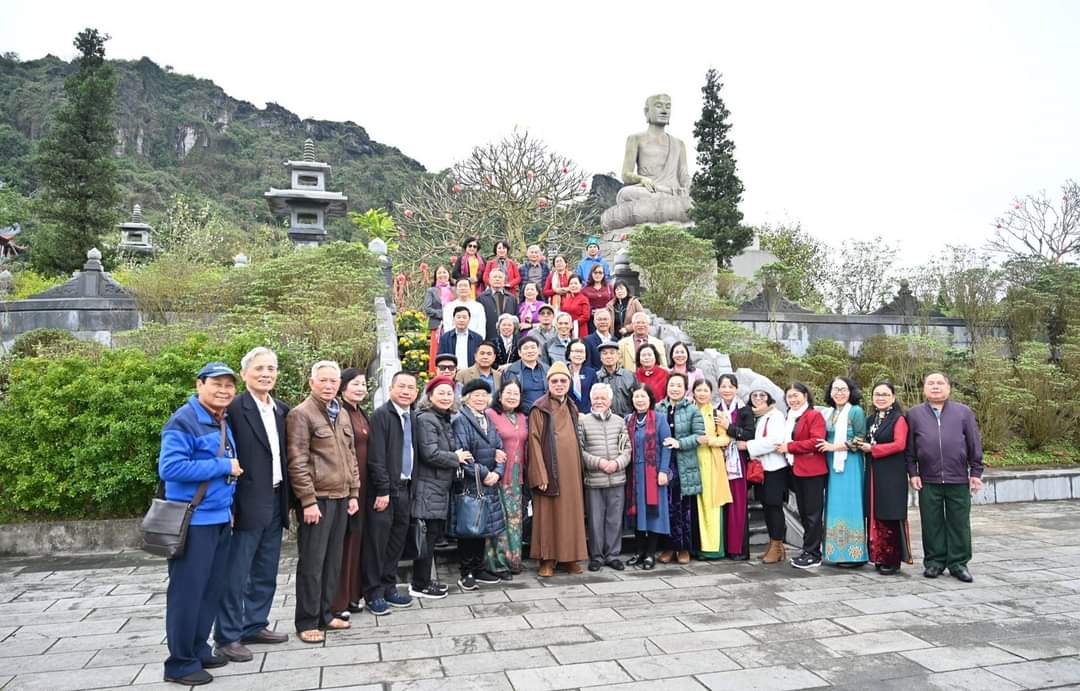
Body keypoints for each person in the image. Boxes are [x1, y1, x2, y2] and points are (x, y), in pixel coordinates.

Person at [160, 362, 243, 686]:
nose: (224, 390)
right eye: (216, 384)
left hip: (220, 518)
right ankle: (179, 662)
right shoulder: (184, 420)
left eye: (228, 385)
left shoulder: (221, 420)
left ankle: (198, 647)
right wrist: (224, 464)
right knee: (187, 593)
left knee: (211, 591)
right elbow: (171, 468)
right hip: (194, 522)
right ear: (199, 385)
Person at [214, 349, 290, 663]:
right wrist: (229, 505)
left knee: (265, 569)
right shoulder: (233, 408)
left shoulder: (281, 409)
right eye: (259, 368)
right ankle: (228, 636)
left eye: (271, 368)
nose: (266, 374)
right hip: (244, 501)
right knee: (236, 573)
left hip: (275, 498)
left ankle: (254, 623)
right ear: (244, 374)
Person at [287, 361, 360, 643]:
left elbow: (351, 455)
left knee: (333, 561)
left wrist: (353, 492)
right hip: (318, 499)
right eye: (324, 381)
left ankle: (326, 613)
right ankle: (306, 620)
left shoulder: (340, 412)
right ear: (312, 383)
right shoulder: (301, 414)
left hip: (342, 497)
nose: (329, 386)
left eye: (334, 381)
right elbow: (298, 461)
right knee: (312, 563)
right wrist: (307, 500)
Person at [907, 372, 983, 583]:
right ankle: (934, 562)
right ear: (924, 388)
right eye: (930, 383)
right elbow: (910, 448)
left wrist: (976, 472)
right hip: (928, 479)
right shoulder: (914, 414)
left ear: (948, 388)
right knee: (931, 523)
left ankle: (959, 564)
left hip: (958, 478)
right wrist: (913, 472)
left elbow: (974, 443)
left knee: (959, 523)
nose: (935, 387)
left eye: (940, 383)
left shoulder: (963, 412)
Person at [363, 371, 420, 615]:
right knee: (377, 543)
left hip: (405, 488)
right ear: (391, 388)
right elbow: (376, 457)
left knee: (396, 543)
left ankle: (389, 587)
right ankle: (373, 592)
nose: (406, 391)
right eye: (402, 386)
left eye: (411, 388)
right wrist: (383, 489)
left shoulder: (412, 417)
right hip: (385, 490)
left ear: (416, 393)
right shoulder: (381, 416)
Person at [527, 361, 588, 576]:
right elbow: (533, 442)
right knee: (548, 515)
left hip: (571, 470)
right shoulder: (539, 407)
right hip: (549, 469)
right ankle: (547, 559)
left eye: (563, 380)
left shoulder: (572, 405)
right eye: (555, 381)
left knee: (571, 513)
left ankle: (569, 558)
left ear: (569, 383)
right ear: (548, 383)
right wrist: (540, 473)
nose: (559, 384)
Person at [410, 376, 468, 600]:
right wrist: (456, 457)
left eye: (449, 393)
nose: (446, 397)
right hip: (428, 486)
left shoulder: (442, 418)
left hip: (438, 486)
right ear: (430, 396)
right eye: (441, 393)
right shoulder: (427, 418)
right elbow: (430, 453)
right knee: (426, 536)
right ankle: (419, 583)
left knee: (432, 535)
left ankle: (423, 580)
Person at [453, 379, 507, 590]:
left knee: (482, 526)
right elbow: (463, 454)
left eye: (484, 395)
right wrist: (486, 474)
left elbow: (500, 449)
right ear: (466, 398)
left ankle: (479, 567)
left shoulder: (487, 418)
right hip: (471, 482)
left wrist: (498, 472)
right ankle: (466, 571)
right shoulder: (461, 420)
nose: (481, 398)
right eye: (476, 395)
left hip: (489, 481)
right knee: (469, 527)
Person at [856, 381, 911, 575]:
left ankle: (892, 558)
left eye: (885, 394)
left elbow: (899, 444)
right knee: (875, 514)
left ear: (893, 398)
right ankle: (878, 556)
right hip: (873, 471)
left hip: (892, 473)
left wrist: (873, 449)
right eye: (877, 394)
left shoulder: (899, 419)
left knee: (889, 514)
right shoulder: (871, 419)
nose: (880, 398)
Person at [331, 369, 371, 619]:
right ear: (342, 387)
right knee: (343, 543)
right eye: (354, 384)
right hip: (348, 486)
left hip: (365, 486)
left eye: (363, 384)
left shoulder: (360, 412)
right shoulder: (339, 411)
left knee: (357, 540)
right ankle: (338, 601)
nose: (360, 388)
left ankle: (354, 595)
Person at [578, 383, 631, 571]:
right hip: (594, 478)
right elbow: (580, 451)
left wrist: (616, 463)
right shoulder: (583, 421)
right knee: (595, 519)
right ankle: (597, 556)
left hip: (617, 477)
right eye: (596, 398)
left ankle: (613, 555)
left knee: (614, 518)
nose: (599, 401)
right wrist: (599, 463)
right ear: (591, 399)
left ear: (610, 401)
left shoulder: (619, 421)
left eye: (603, 398)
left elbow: (627, 448)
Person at [776, 382, 828, 569]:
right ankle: (809, 550)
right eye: (789, 396)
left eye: (796, 395)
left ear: (806, 396)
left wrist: (789, 447)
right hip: (796, 469)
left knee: (813, 513)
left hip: (812, 471)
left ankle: (813, 553)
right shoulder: (790, 416)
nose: (793, 399)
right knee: (805, 513)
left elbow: (816, 441)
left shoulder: (813, 415)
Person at [818, 377, 868, 567]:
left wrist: (834, 447)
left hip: (850, 462)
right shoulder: (828, 413)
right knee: (834, 503)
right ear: (830, 392)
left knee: (850, 503)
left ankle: (854, 554)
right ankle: (834, 552)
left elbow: (860, 438)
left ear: (851, 391)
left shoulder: (855, 411)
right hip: (831, 462)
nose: (839, 393)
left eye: (843, 389)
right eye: (835, 389)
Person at [655, 373, 703, 564]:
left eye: (678, 385)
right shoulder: (658, 407)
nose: (674, 388)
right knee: (666, 507)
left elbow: (700, 436)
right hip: (664, 463)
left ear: (685, 389)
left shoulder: (692, 410)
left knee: (684, 508)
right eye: (671, 385)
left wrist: (679, 443)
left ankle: (684, 548)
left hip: (685, 464)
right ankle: (667, 547)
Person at [625, 382, 671, 570]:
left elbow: (666, 445)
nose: (640, 400)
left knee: (653, 514)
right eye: (636, 396)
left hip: (653, 473)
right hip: (634, 473)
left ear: (650, 399)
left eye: (643, 396)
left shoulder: (659, 418)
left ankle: (651, 554)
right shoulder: (628, 420)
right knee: (637, 513)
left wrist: (663, 471)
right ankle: (639, 551)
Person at [485, 380, 528, 579]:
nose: (512, 397)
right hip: (499, 474)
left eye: (516, 394)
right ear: (499, 395)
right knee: (499, 519)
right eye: (508, 393)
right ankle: (497, 563)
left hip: (518, 477)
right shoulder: (491, 414)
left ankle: (514, 560)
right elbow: (483, 440)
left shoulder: (522, 416)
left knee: (515, 520)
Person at [744, 388, 788, 564]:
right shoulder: (756, 416)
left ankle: (777, 545)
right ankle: (773, 545)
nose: (758, 398)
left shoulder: (775, 416)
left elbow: (774, 440)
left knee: (774, 506)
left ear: (769, 398)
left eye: (763, 395)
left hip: (775, 468)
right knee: (766, 507)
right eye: (754, 395)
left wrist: (747, 445)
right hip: (761, 469)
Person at [690, 379, 733, 560]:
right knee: (693, 506)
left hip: (711, 462)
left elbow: (726, 439)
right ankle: (695, 546)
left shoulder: (717, 413)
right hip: (691, 461)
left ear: (711, 393)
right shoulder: (688, 411)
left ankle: (713, 548)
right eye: (698, 390)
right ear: (693, 392)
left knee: (711, 504)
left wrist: (711, 441)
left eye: (705, 390)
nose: (701, 393)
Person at [715, 374, 755, 561]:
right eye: (723, 386)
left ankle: (738, 549)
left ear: (736, 389)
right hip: (719, 460)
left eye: (730, 386)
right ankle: (722, 547)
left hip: (738, 461)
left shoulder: (745, 410)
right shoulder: (715, 410)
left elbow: (749, 434)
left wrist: (728, 427)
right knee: (722, 504)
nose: (727, 389)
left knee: (738, 504)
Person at [500, 335, 549, 413]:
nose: (530, 351)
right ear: (519, 353)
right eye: (526, 348)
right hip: (521, 415)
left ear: (539, 350)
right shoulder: (510, 371)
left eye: (533, 347)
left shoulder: (547, 370)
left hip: (545, 414)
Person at [422, 265, 454, 374]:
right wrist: (443, 314)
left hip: (453, 325)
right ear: (435, 276)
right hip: (437, 326)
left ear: (449, 275)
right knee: (436, 352)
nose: (442, 275)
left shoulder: (454, 290)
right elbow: (427, 308)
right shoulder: (431, 291)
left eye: (444, 272)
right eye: (439, 273)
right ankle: (434, 374)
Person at [477, 268, 519, 341]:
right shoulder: (481, 298)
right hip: (489, 336)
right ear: (489, 280)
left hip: (508, 338)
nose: (497, 279)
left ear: (504, 281)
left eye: (500, 277)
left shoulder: (512, 298)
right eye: (495, 277)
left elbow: (516, 319)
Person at [596, 341, 636, 417]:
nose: (608, 356)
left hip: (627, 420)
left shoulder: (629, 375)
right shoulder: (596, 377)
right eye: (605, 353)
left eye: (612, 353)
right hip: (604, 420)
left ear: (618, 356)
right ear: (600, 357)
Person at [566, 339, 598, 414]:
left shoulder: (591, 373)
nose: (578, 355)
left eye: (581, 352)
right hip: (566, 414)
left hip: (587, 415)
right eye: (576, 351)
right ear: (568, 354)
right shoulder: (562, 371)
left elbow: (594, 396)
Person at [582, 264, 613, 333]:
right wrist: (591, 311)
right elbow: (583, 305)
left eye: (600, 272)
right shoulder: (585, 289)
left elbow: (613, 301)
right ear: (591, 274)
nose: (597, 275)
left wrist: (606, 309)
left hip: (606, 319)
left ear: (603, 274)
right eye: (595, 272)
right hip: (592, 320)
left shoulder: (609, 287)